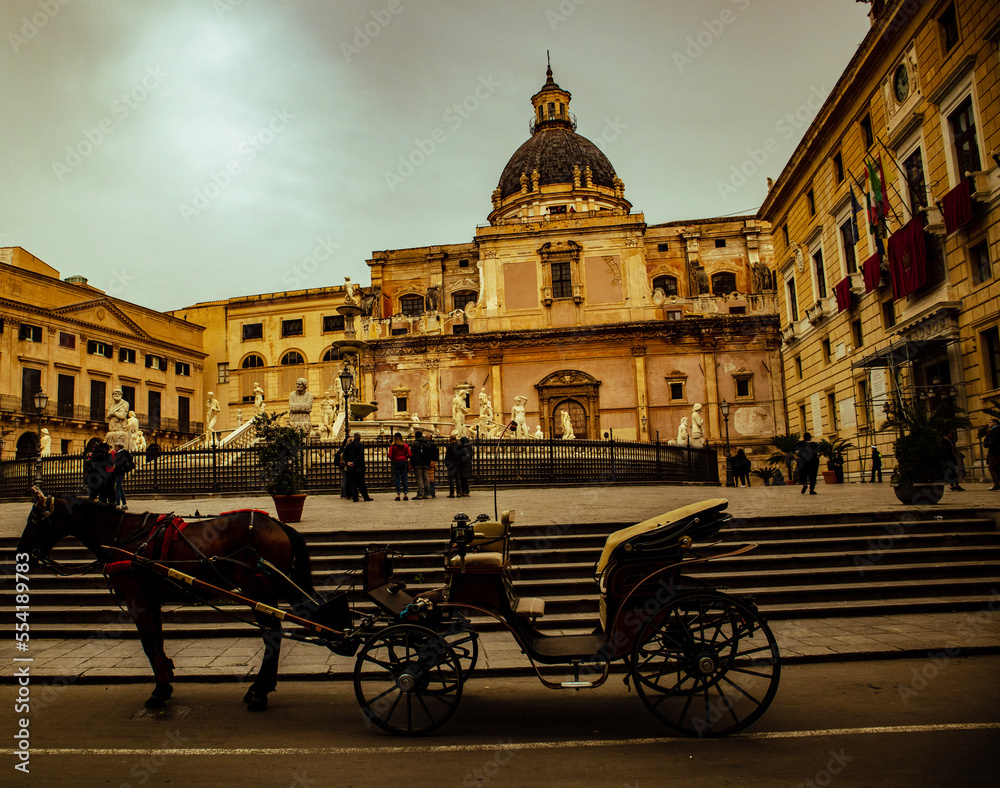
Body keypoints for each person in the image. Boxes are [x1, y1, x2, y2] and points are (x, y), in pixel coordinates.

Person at [343, 432, 372, 502]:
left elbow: (344, 455)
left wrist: (348, 462)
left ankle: (355, 497)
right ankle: (365, 497)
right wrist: (354, 462)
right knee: (361, 483)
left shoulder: (348, 445)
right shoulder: (360, 445)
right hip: (359, 467)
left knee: (353, 483)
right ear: (359, 438)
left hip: (351, 467)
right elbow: (361, 456)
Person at [388, 432, 411, 500]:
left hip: (396, 462)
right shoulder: (405, 445)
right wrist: (406, 457)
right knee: (405, 478)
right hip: (404, 461)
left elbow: (390, 455)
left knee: (397, 478)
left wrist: (393, 458)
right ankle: (405, 494)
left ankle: (398, 494)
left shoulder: (392, 446)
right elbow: (410, 454)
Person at [112, 440, 135, 510]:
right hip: (121, 472)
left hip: (119, 472)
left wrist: (115, 465)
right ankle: (124, 503)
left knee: (117, 488)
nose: (114, 447)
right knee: (120, 488)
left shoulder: (121, 453)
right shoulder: (123, 453)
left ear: (119, 447)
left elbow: (120, 463)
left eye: (115, 446)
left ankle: (118, 504)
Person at [409, 430, 432, 499]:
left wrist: (412, 463)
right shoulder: (427, 443)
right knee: (426, 478)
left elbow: (412, 454)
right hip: (425, 463)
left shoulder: (414, 443)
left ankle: (420, 494)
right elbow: (429, 454)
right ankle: (427, 493)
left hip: (417, 463)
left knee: (419, 479)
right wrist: (428, 462)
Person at [983, 417, 1000, 491]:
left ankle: (996, 485)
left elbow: (992, 443)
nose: (989, 424)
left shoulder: (994, 431)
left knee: (992, 468)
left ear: (995, 423)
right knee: (998, 468)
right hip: (997, 452)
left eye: (990, 422)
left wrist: (991, 452)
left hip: (995, 453)